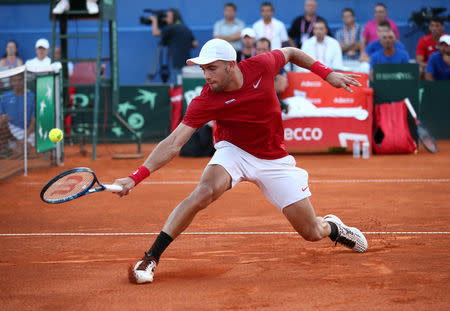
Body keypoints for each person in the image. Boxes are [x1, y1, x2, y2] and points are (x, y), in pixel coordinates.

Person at [113, 38, 368, 284]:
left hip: (273, 159)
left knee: (312, 232)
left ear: (231, 65)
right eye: (203, 70)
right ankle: (151, 257)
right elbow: (173, 143)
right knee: (203, 191)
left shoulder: (261, 66)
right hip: (234, 150)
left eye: (212, 68)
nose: (207, 76)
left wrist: (326, 74)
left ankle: (334, 228)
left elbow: (290, 52)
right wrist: (135, 177)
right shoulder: (205, 99)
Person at [150, 9, 198, 84]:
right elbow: (195, 44)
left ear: (174, 17)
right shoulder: (185, 27)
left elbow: (155, 33)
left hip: (176, 64)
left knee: (178, 86)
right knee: (185, 85)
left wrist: (154, 20)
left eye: (168, 16)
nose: (166, 18)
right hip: (187, 63)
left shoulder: (170, 28)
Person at [0, 73, 35, 155]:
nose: (18, 83)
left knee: (21, 152)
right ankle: (5, 146)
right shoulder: (5, 97)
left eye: (20, 80)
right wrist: (3, 118)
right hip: (11, 132)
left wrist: (24, 138)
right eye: (15, 80)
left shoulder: (32, 96)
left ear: (24, 81)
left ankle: (16, 147)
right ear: (11, 82)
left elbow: (34, 121)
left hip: (28, 132)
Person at [255, 38, 289, 113]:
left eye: (264, 49)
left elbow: (281, 86)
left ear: (269, 50)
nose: (261, 52)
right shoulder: (249, 64)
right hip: (254, 104)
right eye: (258, 49)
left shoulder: (277, 64)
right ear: (255, 50)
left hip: (273, 104)